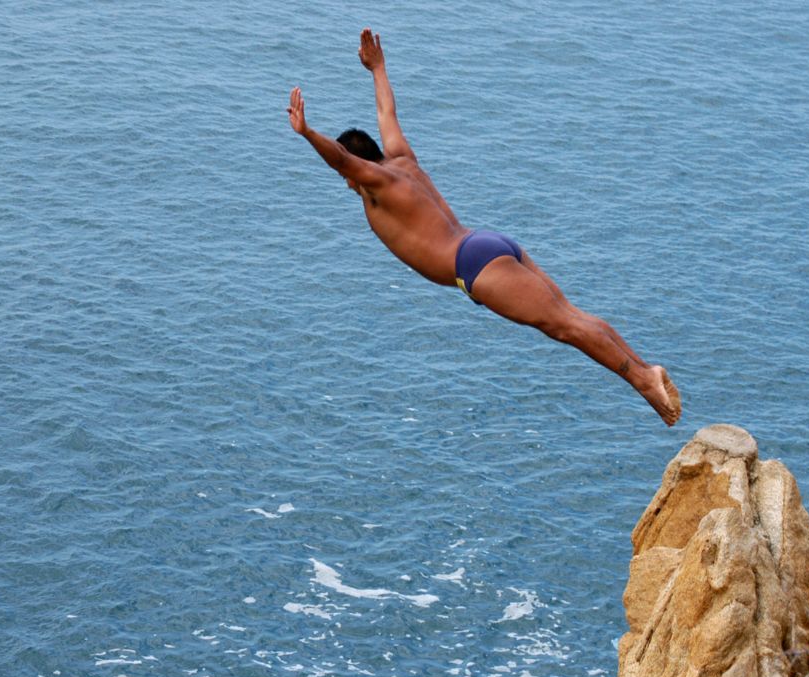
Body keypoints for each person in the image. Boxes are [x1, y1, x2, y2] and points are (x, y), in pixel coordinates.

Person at [287, 28, 681, 426]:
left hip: (473, 264)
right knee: (569, 315)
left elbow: (340, 158)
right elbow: (387, 115)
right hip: (486, 243)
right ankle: (648, 370)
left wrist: (307, 134)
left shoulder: (377, 185)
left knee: (565, 327)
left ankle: (644, 380)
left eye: (349, 178)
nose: (348, 184)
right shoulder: (401, 160)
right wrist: (378, 69)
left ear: (361, 169)